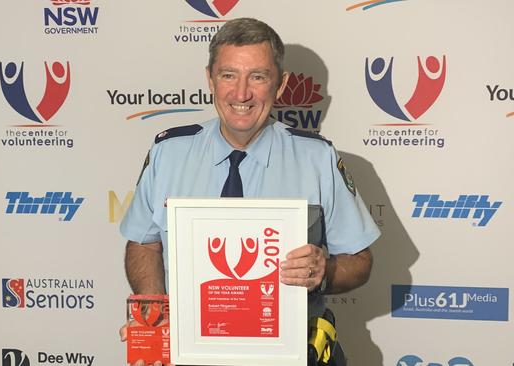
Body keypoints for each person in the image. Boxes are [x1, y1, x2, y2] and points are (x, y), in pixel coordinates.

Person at [119, 17, 380, 366]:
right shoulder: (169, 153)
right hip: (193, 353)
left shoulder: (318, 158)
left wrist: (324, 272)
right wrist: (154, 312)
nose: (241, 94)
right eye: (228, 75)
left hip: (293, 354)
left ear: (281, 84)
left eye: (258, 76)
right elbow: (143, 243)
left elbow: (360, 262)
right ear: (210, 78)